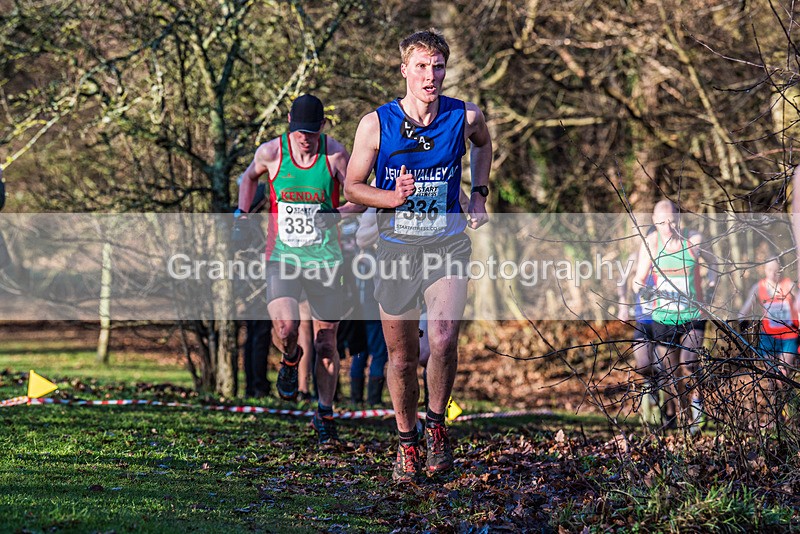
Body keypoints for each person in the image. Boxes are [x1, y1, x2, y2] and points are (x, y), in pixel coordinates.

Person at [344, 29, 493, 481]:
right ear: (405, 69)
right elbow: (351, 186)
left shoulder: (465, 116)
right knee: (402, 358)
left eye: (439, 66)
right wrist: (390, 198)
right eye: (422, 67)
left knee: (445, 340)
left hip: (446, 243)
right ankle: (407, 444)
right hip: (395, 251)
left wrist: (479, 194)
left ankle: (437, 429)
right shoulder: (376, 124)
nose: (431, 76)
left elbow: (484, 145)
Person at [235, 94, 362, 445]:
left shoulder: (335, 155)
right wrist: (242, 215)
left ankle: (324, 413)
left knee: (326, 342)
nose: (303, 137)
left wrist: (337, 213)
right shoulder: (272, 153)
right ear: (289, 121)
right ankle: (290, 359)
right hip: (283, 258)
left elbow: (361, 197)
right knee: (286, 327)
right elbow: (247, 179)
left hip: (326, 260)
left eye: (310, 131)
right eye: (297, 130)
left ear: (322, 127)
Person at [632, 199, 707, 435]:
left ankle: (697, 404)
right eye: (662, 223)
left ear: (679, 220)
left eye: (672, 221)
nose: (668, 227)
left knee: (690, 362)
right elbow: (637, 281)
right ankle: (684, 418)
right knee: (671, 374)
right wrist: (646, 292)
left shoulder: (694, 239)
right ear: (655, 223)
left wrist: (712, 282)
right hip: (663, 317)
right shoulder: (651, 243)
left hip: (693, 314)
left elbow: (715, 265)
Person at [739, 258, 798, 377]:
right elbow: (745, 309)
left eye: (776, 270)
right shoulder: (759, 287)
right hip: (768, 337)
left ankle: (785, 393)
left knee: (782, 373)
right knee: (770, 374)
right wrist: (742, 322)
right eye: (770, 269)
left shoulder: (789, 284)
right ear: (765, 269)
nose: (772, 273)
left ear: (781, 270)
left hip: (789, 336)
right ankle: (776, 395)